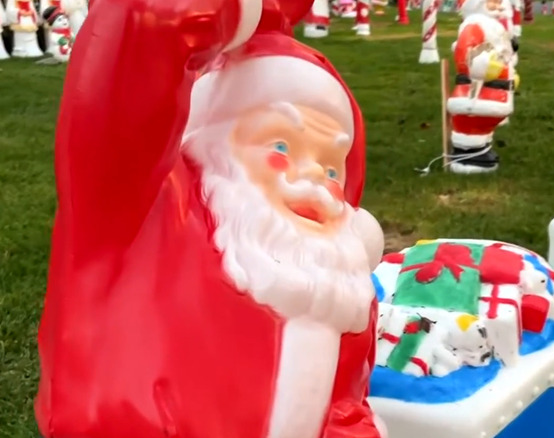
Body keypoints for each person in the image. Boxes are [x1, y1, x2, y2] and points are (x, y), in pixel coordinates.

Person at [35, 1, 387, 438]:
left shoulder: (336, 283)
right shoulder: (145, 215)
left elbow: (345, 405)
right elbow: (136, 49)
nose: (314, 177)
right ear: (213, 144)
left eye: (333, 168)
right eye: (281, 147)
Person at [447, 0, 518, 174]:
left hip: (492, 90)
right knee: (474, 122)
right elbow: (466, 55)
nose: (499, 6)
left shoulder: (491, 25)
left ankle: (481, 148)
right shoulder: (474, 24)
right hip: (477, 92)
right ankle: (469, 155)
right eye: (493, 2)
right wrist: (485, 66)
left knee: (483, 124)